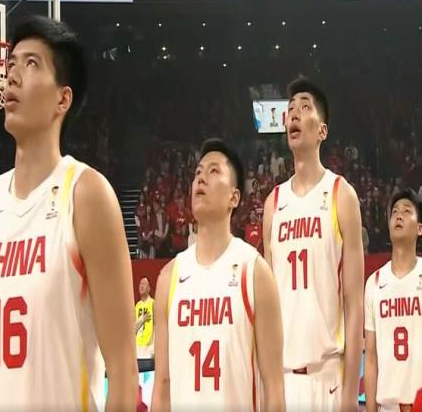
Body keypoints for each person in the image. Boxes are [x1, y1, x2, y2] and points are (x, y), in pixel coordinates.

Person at [0, 16, 138, 411]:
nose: (12, 75)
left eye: (32, 63)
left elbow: (124, 373)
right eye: (12, 63)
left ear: (62, 99)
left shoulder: (86, 195)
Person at [152, 138, 284, 411]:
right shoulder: (168, 278)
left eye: (213, 171)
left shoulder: (255, 272)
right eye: (198, 173)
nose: (201, 179)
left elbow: (274, 387)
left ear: (234, 197)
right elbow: (162, 384)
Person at [263, 78, 364, 411]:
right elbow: (267, 309)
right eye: (291, 109)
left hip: (328, 378)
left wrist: (350, 394)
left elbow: (354, 304)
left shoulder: (341, 194)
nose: (294, 114)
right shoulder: (273, 203)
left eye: (305, 107)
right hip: (282, 380)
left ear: (322, 130)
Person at [364, 188, 422, 412]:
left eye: (407, 211)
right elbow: (370, 358)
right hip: (388, 407)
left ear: (419, 228)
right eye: (395, 211)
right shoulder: (374, 283)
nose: (399, 215)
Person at [135, 277, 155, 359]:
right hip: (138, 347)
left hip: (149, 348)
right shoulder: (137, 305)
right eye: (140, 284)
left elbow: (158, 326)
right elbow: (132, 328)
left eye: (144, 284)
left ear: (149, 288)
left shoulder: (153, 303)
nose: (141, 286)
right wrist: (141, 319)